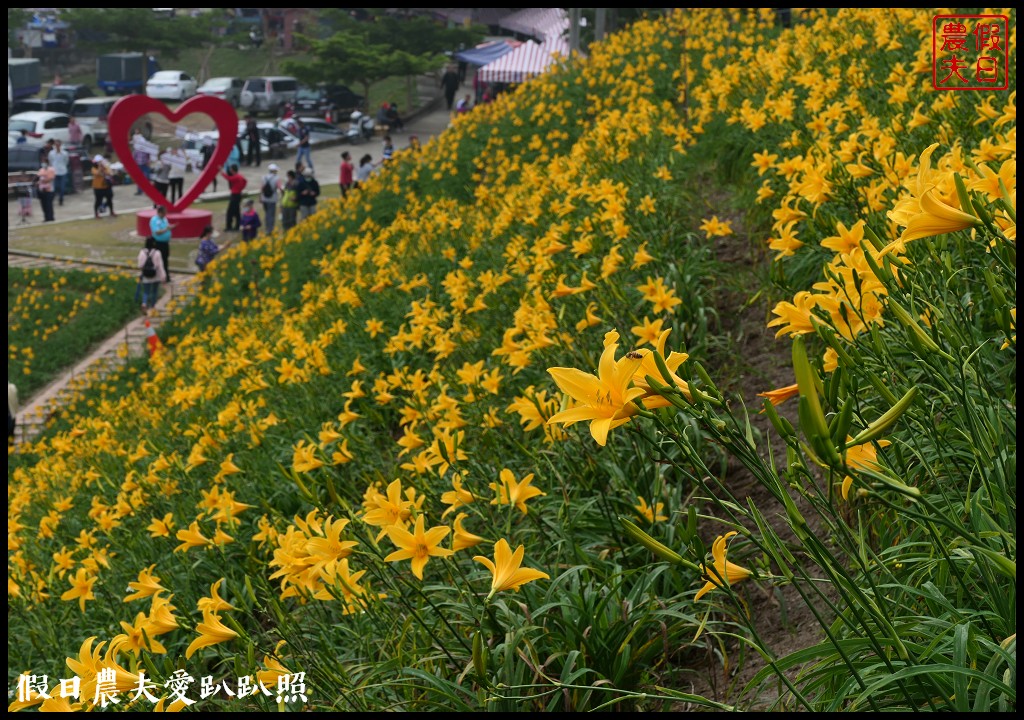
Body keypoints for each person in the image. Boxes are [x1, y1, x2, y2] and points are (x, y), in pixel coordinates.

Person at [137, 235, 168, 311]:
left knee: (146, 291)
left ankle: (144, 304)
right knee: (154, 291)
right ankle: (152, 307)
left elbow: (140, 265)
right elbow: (160, 266)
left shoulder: (142, 252)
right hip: (155, 275)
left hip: (146, 275)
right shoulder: (157, 253)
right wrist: (163, 277)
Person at [149, 205, 176, 279]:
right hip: (158, 243)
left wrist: (171, 227)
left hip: (165, 243)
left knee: (165, 258)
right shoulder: (154, 220)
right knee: (158, 259)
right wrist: (167, 229)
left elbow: (167, 226)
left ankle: (165, 274)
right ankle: (158, 275)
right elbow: (157, 232)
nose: (165, 214)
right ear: (159, 212)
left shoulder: (164, 219)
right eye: (164, 213)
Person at [221, 164, 247, 232]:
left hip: (235, 195)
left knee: (230, 212)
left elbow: (228, 178)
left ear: (232, 170)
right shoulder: (240, 176)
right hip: (238, 194)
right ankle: (237, 226)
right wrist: (241, 188)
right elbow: (245, 181)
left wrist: (221, 172)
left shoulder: (236, 177)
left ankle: (229, 226)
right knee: (236, 211)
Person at [260, 163, 281, 234]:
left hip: (264, 198)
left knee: (267, 214)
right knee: (271, 214)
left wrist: (260, 197)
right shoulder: (277, 178)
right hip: (272, 198)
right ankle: (270, 229)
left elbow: (262, 188)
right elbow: (279, 188)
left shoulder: (264, 177)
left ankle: (267, 227)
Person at [48, 140, 70, 206]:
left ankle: (61, 199)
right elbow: (50, 162)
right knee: (54, 187)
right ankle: (52, 199)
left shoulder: (64, 153)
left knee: (62, 187)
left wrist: (63, 167)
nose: (57, 146)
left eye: (58, 144)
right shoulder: (51, 153)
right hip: (55, 172)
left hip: (62, 171)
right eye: (56, 145)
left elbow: (66, 161)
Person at [36, 158, 57, 222]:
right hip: (42, 190)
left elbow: (50, 179)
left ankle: (50, 217)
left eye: (44, 162)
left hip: (49, 190)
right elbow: (38, 178)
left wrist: (43, 180)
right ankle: (46, 217)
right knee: (44, 205)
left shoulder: (51, 170)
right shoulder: (41, 170)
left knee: (49, 205)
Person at [131, 130, 151, 196]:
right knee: (139, 179)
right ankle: (140, 191)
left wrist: (148, 162)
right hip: (138, 165)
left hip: (145, 164)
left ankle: (146, 190)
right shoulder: (136, 149)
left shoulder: (146, 149)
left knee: (146, 177)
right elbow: (134, 157)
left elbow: (149, 155)